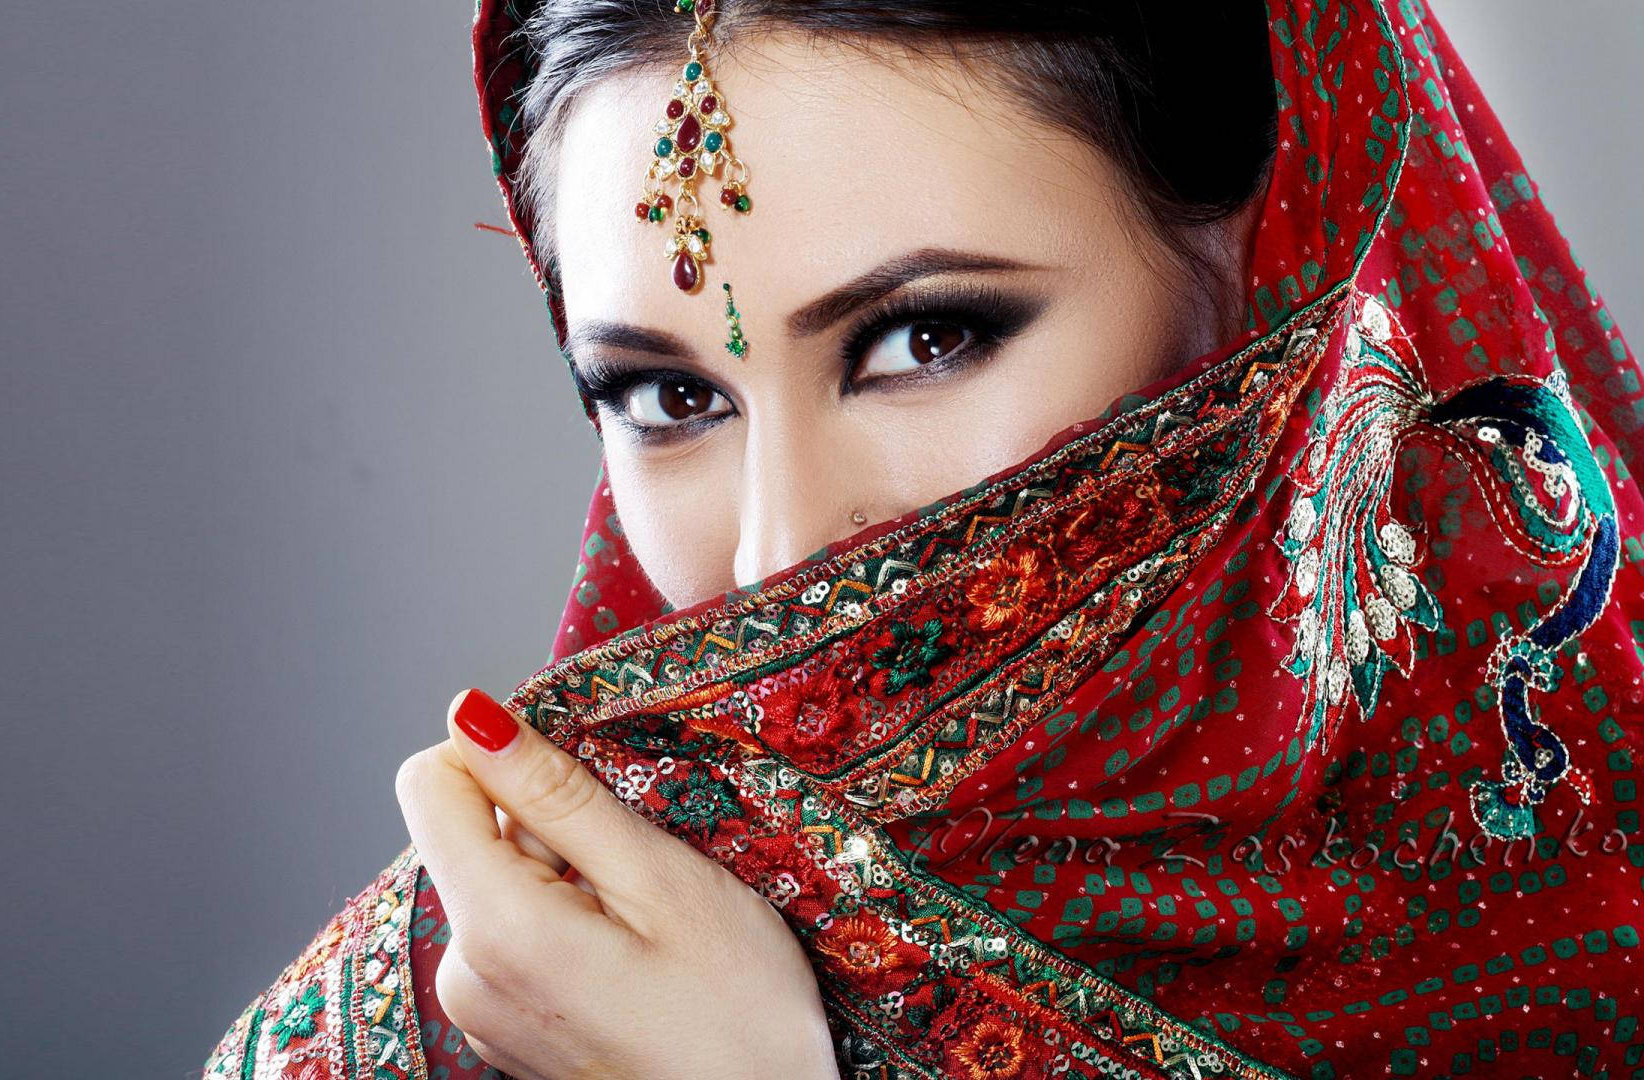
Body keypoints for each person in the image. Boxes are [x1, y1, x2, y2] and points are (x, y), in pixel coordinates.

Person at [204, 1, 1644, 1077]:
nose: (778, 550)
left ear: (1270, 285)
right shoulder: (484, 1002)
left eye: (925, 337)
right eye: (668, 394)